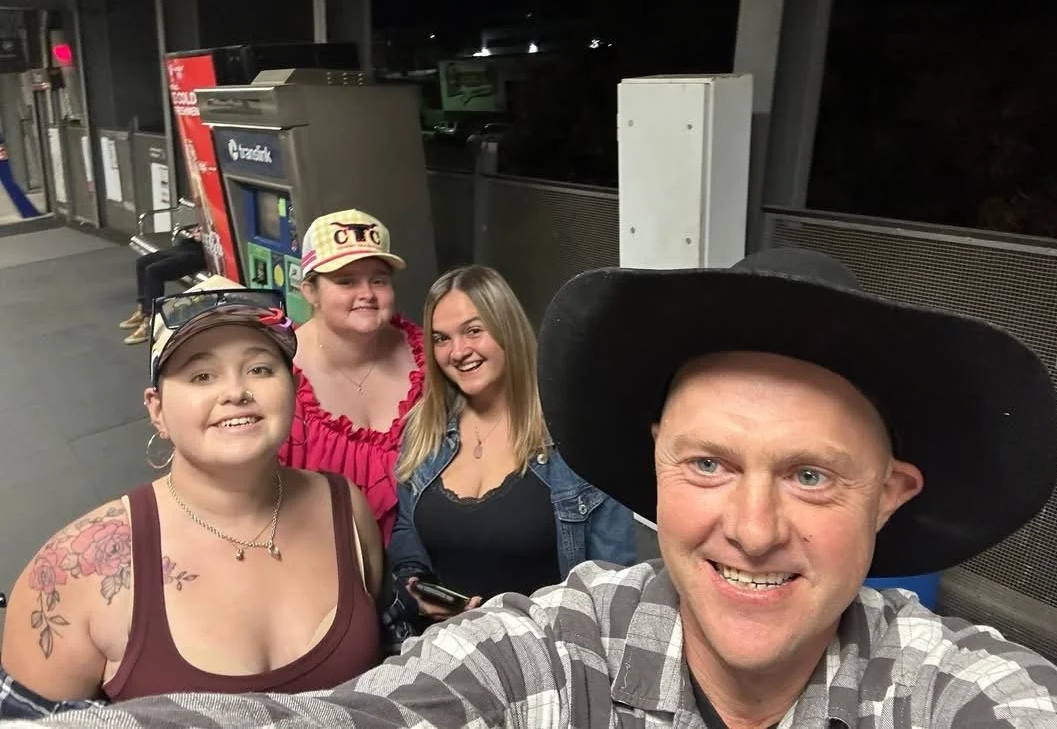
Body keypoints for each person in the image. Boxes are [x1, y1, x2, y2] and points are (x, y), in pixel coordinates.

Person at [10, 248, 1057, 728]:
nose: (752, 529)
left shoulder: (957, 694)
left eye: (809, 475)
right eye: (708, 463)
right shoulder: (561, 647)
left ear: (891, 494)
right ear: (657, 463)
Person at [0, 275, 384, 717]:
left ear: (294, 390)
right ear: (157, 410)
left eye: (260, 369)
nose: (236, 392)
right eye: (201, 375)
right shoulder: (73, 571)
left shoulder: (345, 507)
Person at [388, 265, 636, 628]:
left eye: (473, 331)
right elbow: (406, 531)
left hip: (551, 652)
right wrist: (418, 587)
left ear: (507, 328)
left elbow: (614, 582)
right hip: (446, 648)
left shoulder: (577, 436)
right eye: (441, 339)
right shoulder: (425, 430)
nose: (458, 351)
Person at [278, 210, 425, 547]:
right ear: (310, 291)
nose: (367, 293)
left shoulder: (430, 357)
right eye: (346, 281)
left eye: (379, 280)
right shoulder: (277, 375)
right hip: (318, 561)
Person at [117, 228, 206, 345]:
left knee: (154, 271)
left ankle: (151, 322)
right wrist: (198, 230)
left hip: (208, 251)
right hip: (194, 244)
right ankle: (143, 310)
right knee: (142, 262)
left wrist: (206, 236)